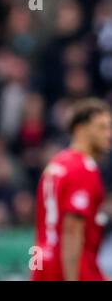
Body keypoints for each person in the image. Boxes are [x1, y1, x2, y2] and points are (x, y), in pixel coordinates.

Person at [31, 98, 111, 281]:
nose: (109, 134)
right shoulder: (83, 168)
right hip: (70, 265)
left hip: (42, 261)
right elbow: (72, 230)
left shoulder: (56, 164)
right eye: (101, 127)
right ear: (80, 129)